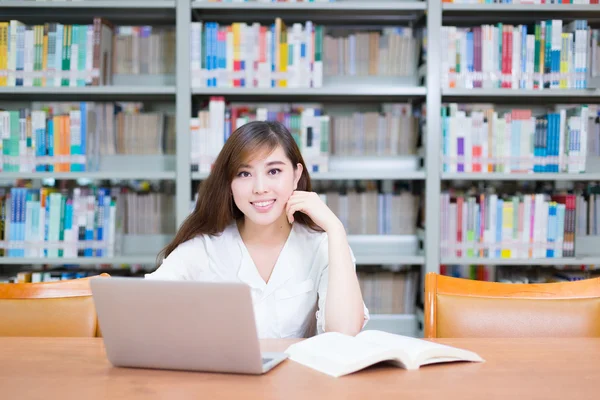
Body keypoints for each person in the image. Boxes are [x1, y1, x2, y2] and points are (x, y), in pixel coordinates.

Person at [146, 120, 369, 338]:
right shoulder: (204, 247)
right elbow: (144, 307)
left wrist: (335, 228)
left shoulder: (324, 246)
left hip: (298, 375)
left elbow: (345, 332)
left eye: (274, 172)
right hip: (225, 375)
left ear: (296, 175)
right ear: (229, 183)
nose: (260, 188)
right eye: (244, 174)